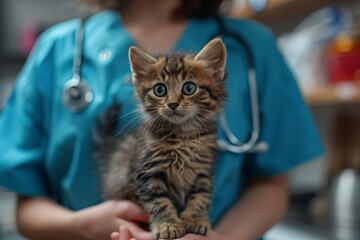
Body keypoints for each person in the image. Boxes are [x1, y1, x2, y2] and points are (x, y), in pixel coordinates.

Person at [0, 0, 323, 239]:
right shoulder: (56, 48)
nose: (173, 100)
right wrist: (81, 226)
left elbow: (273, 186)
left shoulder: (253, 44)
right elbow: (27, 207)